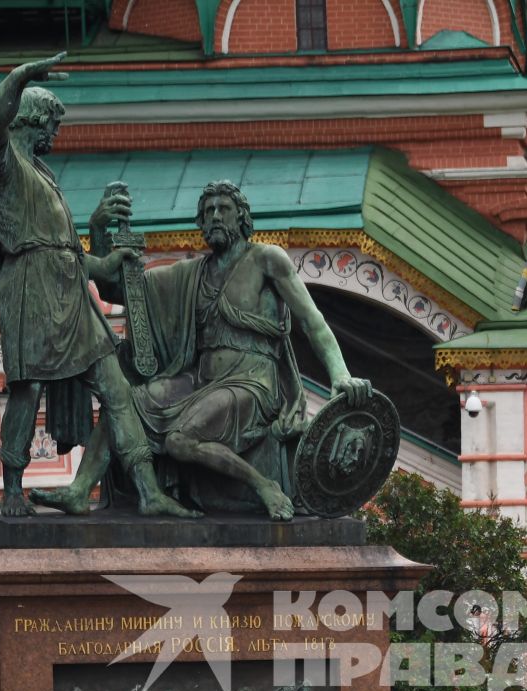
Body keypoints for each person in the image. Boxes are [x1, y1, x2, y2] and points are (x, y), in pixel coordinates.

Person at [56, 179, 374, 519]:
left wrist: (340, 374)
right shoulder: (193, 273)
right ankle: (79, 490)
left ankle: (264, 485)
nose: (216, 216)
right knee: (124, 400)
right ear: (201, 223)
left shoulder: (267, 259)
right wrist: (98, 230)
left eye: (224, 209)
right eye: (208, 212)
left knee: (180, 440)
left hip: (252, 383)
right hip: (201, 380)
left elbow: (313, 322)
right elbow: (121, 291)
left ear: (241, 216)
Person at [0, 52, 192, 520]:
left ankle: (148, 490)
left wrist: (104, 254)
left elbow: (66, 255)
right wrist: (18, 75)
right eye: (53, 124)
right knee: (27, 389)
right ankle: (13, 487)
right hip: (31, 295)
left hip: (70, 299)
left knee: (117, 389)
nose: (56, 134)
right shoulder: (4, 166)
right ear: (33, 120)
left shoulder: (44, 175)